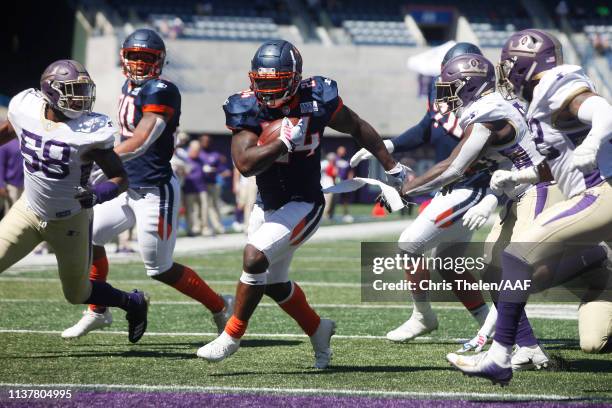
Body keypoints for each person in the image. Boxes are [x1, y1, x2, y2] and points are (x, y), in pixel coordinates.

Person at [196, 39, 409, 367]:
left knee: (254, 259)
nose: (267, 92)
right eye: (262, 83)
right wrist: (281, 143)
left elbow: (356, 126)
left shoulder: (317, 97)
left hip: (304, 202)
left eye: (276, 83)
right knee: (273, 283)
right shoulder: (247, 106)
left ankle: (232, 335)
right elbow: (245, 163)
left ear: (295, 80)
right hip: (266, 203)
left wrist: (390, 164)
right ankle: (318, 329)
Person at [446, 29, 612, 385]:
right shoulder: (538, 103)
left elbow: (602, 110)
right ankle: (600, 262)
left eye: (510, 64)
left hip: (604, 193)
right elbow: (552, 164)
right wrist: (519, 177)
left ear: (527, 62)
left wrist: (595, 140)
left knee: (515, 257)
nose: (506, 71)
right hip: (593, 199)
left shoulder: (555, 83)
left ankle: (500, 356)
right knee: (593, 342)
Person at [62, 29, 232, 339]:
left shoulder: (161, 90)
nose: (140, 64)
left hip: (154, 190)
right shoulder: (128, 85)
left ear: (160, 61)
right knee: (89, 237)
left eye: (147, 58)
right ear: (124, 58)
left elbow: (141, 141)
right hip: (125, 185)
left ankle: (221, 306)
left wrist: (97, 157)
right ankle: (98, 311)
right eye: (134, 57)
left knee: (160, 268)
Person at [350, 43, 491, 343]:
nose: (450, 84)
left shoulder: (490, 106)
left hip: (471, 187)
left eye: (457, 78)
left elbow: (462, 162)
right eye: (447, 76)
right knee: (447, 262)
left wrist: (406, 191)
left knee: (409, 244)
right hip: (449, 186)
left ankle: (422, 315)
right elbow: (427, 128)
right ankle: (488, 324)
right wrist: (387, 146)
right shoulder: (441, 93)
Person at [0, 59, 149, 343]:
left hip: (70, 218)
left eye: (83, 89)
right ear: (51, 91)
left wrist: (97, 194)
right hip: (28, 209)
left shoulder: (91, 130)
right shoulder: (25, 107)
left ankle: (132, 302)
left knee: (76, 294)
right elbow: (9, 129)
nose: (80, 97)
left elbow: (120, 177)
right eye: (73, 89)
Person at [199, 134, 228, 235]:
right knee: (204, 206)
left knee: (215, 205)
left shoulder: (215, 154)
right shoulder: (198, 153)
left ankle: (218, 226)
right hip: (201, 184)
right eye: (204, 140)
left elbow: (221, 168)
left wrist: (222, 171)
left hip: (213, 182)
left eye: (207, 141)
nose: (206, 142)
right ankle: (205, 227)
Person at [182, 139, 207, 236]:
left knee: (204, 208)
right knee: (190, 210)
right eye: (195, 150)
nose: (197, 152)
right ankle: (190, 229)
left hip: (201, 187)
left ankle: (204, 227)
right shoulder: (185, 159)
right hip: (189, 188)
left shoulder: (200, 160)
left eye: (198, 150)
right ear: (190, 149)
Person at [0, 137, 24, 216]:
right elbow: (1, 165)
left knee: (22, 213)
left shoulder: (27, 142)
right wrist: (1, 185)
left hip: (26, 185)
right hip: (11, 186)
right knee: (10, 213)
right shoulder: (6, 143)